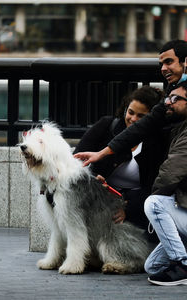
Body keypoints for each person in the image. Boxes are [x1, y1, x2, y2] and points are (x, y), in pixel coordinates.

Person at [74, 39, 187, 166]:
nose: (163, 69)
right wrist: (101, 153)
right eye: (161, 64)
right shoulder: (172, 91)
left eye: (169, 62)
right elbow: (145, 124)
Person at [74, 86, 165, 232]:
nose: (133, 119)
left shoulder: (156, 142)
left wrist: (127, 208)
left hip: (135, 204)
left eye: (141, 116)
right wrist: (95, 183)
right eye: (130, 112)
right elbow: (77, 158)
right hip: (98, 196)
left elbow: (154, 186)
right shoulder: (106, 125)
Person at [144, 81, 187, 286]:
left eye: (176, 99)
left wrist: (154, 198)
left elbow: (171, 173)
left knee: (155, 203)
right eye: (168, 98)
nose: (169, 103)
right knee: (152, 267)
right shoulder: (178, 129)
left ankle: (182, 264)